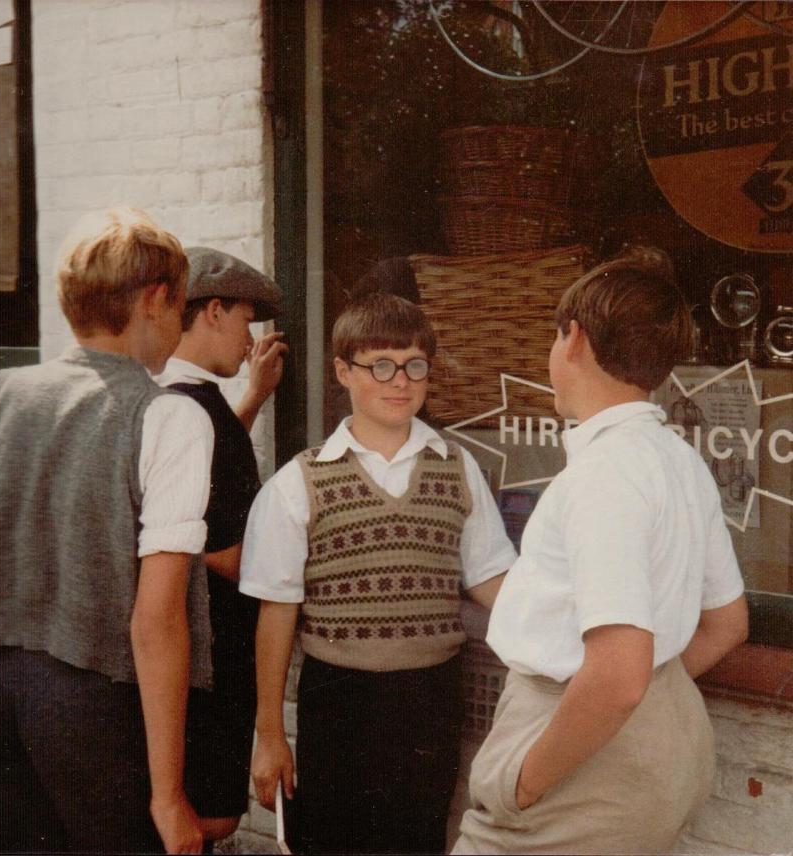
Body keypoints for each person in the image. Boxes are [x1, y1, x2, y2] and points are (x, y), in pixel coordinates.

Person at [452, 248, 749, 855]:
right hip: (655, 731)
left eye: (554, 335)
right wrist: (641, 697)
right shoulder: (679, 459)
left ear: (576, 340)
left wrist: (522, 784)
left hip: (582, 754)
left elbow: (617, 674)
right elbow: (727, 623)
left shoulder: (603, 475)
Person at [0, 208, 215, 854]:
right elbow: (157, 621)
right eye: (181, 307)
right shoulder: (168, 417)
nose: (180, 324)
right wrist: (168, 795)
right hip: (97, 708)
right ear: (154, 300)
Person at [240, 292, 518, 855]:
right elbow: (277, 613)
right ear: (343, 371)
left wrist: (571, 625)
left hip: (432, 698)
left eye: (415, 365)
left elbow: (491, 578)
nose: (401, 381)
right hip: (339, 698)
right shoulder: (301, 482)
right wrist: (269, 734)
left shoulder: (456, 468)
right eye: (381, 366)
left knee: (418, 841)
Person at [156, 247, 287, 848]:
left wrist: (253, 399)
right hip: (211, 657)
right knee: (209, 821)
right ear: (212, 312)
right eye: (244, 320)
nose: (249, 339)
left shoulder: (170, 401)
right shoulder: (201, 413)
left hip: (188, 656)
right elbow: (225, 554)